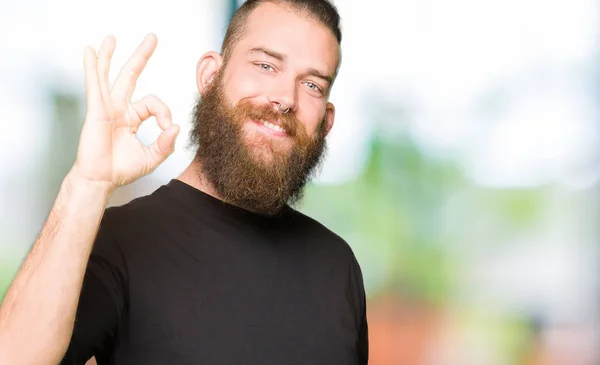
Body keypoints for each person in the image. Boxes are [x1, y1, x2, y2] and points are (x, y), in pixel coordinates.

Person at [0, 0, 369, 364]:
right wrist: (87, 182)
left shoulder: (337, 267)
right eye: (265, 65)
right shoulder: (120, 239)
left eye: (312, 85)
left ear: (326, 120)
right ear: (211, 76)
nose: (285, 98)